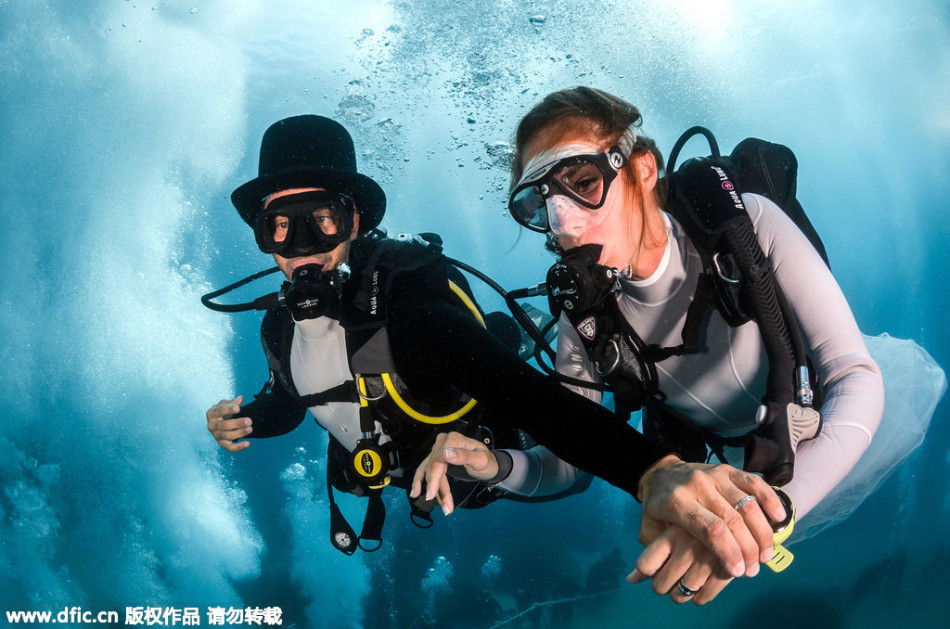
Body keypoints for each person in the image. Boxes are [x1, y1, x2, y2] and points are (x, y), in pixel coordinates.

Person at [204, 114, 787, 569]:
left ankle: (520, 330)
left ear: (353, 222)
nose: (301, 246)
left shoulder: (406, 315)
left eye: (322, 221)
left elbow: (532, 400)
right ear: (261, 237)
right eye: (279, 227)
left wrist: (651, 471)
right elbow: (290, 398)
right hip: (402, 467)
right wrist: (249, 418)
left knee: (507, 364)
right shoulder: (277, 328)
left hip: (487, 459)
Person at [445, 85, 937, 604]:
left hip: (824, 420)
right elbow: (571, 460)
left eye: (583, 182)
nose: (562, 224)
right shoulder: (582, 317)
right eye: (538, 203)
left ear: (642, 169)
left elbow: (854, 377)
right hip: (735, 462)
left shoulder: (748, 224)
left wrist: (766, 517)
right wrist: (496, 466)